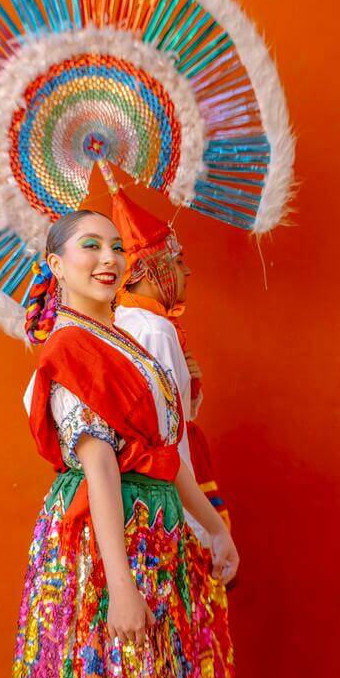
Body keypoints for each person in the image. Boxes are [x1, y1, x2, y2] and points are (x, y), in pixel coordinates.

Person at [10, 208, 241, 678]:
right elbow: (102, 469)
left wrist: (215, 528)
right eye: (90, 246)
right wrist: (119, 586)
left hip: (156, 533)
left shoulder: (130, 344)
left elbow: (161, 453)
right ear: (56, 263)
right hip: (107, 542)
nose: (108, 258)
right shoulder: (70, 349)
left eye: (116, 246)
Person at [110, 188, 232, 549]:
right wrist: (202, 529)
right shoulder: (154, 329)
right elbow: (169, 444)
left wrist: (188, 386)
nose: (188, 270)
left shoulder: (124, 321)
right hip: (163, 508)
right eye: (178, 261)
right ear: (152, 269)